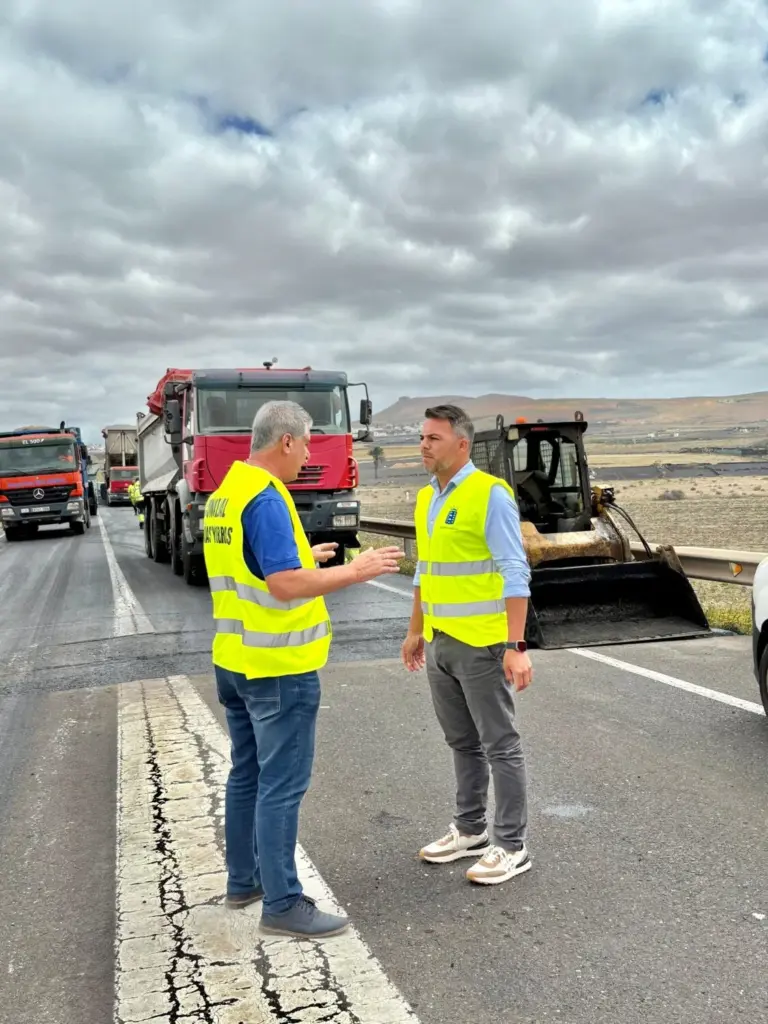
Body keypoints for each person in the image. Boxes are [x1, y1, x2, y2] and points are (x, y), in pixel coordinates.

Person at [203, 400, 404, 939]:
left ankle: (244, 881)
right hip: (277, 666)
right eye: (309, 441)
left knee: (247, 773)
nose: (311, 451)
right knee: (282, 786)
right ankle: (284, 904)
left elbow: (251, 565)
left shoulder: (227, 494)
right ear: (286, 441)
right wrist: (355, 571)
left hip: (234, 660)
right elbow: (282, 585)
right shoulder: (266, 499)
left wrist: (301, 554)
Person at [401, 404, 534, 886]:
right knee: (462, 742)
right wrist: (415, 629)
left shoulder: (489, 495)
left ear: (462, 444)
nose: (423, 445)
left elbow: (515, 571)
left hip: (483, 645)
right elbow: (424, 571)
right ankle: (470, 830)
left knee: (500, 744)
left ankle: (512, 845)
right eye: (422, 437)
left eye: (433, 439)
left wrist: (516, 644)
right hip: (440, 643)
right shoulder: (426, 498)